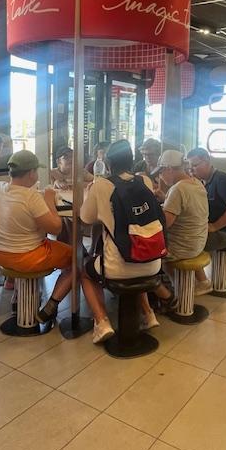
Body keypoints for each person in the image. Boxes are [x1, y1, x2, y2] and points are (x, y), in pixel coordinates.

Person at [0, 149, 114, 344]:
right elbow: (55, 227)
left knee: (64, 250)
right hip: (27, 255)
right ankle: (52, 303)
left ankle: (23, 299)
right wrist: (48, 200)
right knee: (79, 259)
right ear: (31, 173)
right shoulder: (31, 197)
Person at [80, 139, 177, 329]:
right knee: (135, 263)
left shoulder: (101, 185)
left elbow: (86, 218)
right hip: (152, 261)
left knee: (85, 272)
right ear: (132, 160)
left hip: (118, 265)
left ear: (108, 163)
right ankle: (149, 314)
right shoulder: (144, 180)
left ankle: (101, 322)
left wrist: (90, 193)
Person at [187, 147, 226, 294]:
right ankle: (195, 279)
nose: (192, 170)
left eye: (195, 165)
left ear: (207, 161)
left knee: (188, 243)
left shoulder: (221, 180)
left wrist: (214, 226)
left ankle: (202, 282)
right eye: (190, 166)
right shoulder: (204, 182)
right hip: (222, 229)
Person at [152, 150, 209, 268]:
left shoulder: (177, 189)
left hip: (180, 248)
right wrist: (165, 199)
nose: (159, 177)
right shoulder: (197, 183)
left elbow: (164, 224)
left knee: (149, 252)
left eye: (161, 172)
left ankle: (170, 279)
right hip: (198, 243)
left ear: (169, 169)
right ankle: (200, 279)